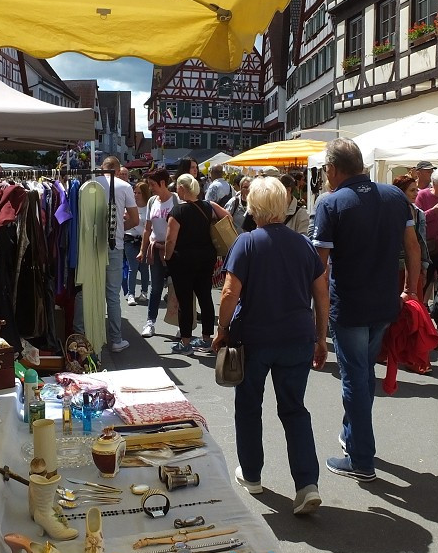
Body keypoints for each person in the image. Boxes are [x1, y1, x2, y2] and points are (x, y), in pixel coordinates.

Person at [213, 176, 327, 515]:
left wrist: (221, 330)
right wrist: (321, 337)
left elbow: (230, 292)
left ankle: (252, 474)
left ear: (253, 207)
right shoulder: (304, 244)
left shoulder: (247, 242)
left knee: (249, 406)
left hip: (255, 338)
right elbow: (322, 294)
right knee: (294, 409)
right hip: (297, 337)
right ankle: (307, 484)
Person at [313, 139, 420, 481]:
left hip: (350, 305)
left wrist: (315, 314)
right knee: (362, 377)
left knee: (354, 379)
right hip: (384, 303)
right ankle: (352, 436)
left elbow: (320, 267)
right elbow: (413, 247)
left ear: (333, 169)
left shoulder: (331, 204)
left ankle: (361, 458)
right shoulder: (394, 197)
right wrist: (411, 290)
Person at [163, 174, 230, 355]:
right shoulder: (208, 206)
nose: (176, 189)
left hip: (183, 260)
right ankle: (207, 339)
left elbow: (170, 240)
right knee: (205, 297)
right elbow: (227, 216)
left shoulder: (177, 212)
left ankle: (185, 342)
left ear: (183, 189)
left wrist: (167, 258)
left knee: (185, 301)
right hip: (206, 257)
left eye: (177, 187)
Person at [78, 156, 138, 352]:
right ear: (118, 169)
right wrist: (120, 227)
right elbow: (135, 220)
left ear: (101, 167)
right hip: (114, 244)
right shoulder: (124, 186)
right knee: (112, 294)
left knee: (86, 289)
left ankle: (82, 335)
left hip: (90, 245)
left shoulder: (88, 184)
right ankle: (116, 339)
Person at [138, 169, 179, 338]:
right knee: (155, 289)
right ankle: (150, 322)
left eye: (153, 184)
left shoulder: (176, 200)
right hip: (155, 250)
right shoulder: (152, 202)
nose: (151, 188)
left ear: (162, 183)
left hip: (174, 251)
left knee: (176, 288)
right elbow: (147, 229)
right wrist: (142, 250)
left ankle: (180, 324)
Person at [393, 175, 431, 303]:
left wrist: (424, 266)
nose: (416, 193)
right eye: (412, 190)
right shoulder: (390, 211)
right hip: (395, 267)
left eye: (416, 190)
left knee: (412, 309)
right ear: (400, 191)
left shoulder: (419, 213)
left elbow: (422, 242)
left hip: (413, 267)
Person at [122, 180, 151, 307]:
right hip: (130, 238)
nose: (136, 195)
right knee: (132, 268)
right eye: (135, 192)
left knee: (144, 268)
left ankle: (144, 292)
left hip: (144, 240)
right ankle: (131, 294)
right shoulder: (130, 206)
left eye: (139, 192)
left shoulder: (149, 206)